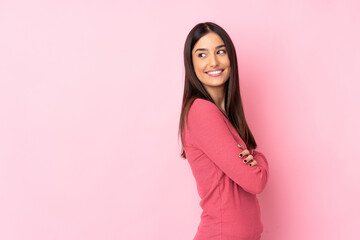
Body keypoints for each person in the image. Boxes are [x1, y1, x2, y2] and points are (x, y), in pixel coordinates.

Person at [178, 22, 270, 240]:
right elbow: (255, 181)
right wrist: (259, 158)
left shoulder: (224, 115)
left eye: (220, 51)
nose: (213, 62)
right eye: (202, 55)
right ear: (191, 64)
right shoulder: (201, 111)